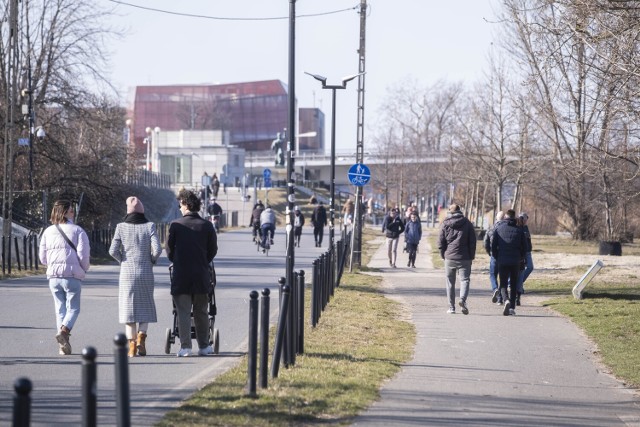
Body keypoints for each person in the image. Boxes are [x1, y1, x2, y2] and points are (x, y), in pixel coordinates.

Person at [108, 197, 162, 357]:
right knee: (145, 306)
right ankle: (141, 338)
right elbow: (158, 249)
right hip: (145, 271)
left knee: (128, 310)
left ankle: (131, 346)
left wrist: (122, 260)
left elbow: (112, 250)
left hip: (127, 273)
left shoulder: (120, 227)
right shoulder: (149, 226)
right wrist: (151, 260)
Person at [166, 189, 218, 357]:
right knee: (201, 311)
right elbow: (212, 251)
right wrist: (202, 260)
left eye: (180, 204)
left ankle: (186, 347)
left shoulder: (175, 225)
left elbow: (169, 252)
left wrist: (179, 261)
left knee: (183, 311)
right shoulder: (207, 226)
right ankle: (204, 346)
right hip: (201, 275)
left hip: (181, 275)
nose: (179, 208)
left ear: (187, 204)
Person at [38, 199, 91, 355]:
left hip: (53, 276)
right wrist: (84, 268)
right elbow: (84, 255)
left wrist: (52, 264)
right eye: (71, 210)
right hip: (72, 276)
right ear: (65, 212)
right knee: (74, 308)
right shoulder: (78, 231)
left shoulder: (48, 231)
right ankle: (64, 331)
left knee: (60, 309)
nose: (73, 213)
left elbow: (43, 258)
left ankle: (62, 346)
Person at [438, 204, 477, 314]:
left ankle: (451, 307)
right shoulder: (468, 223)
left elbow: (440, 242)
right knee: (465, 280)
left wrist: (443, 255)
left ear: (450, 212)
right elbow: (472, 242)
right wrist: (471, 256)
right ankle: (462, 300)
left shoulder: (445, 223)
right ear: (460, 211)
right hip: (464, 257)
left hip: (449, 257)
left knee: (450, 282)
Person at [491, 209, 526, 316]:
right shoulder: (520, 230)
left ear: (505, 217)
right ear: (514, 217)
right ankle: (512, 307)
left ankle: (505, 299)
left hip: (502, 259)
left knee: (503, 283)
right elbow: (525, 247)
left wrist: (497, 257)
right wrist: (521, 258)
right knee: (514, 284)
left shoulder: (498, 229)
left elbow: (493, 246)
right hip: (515, 260)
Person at [484, 211, 505, 304]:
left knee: (493, 274)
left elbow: (486, 242)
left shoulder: (491, 228)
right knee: (503, 277)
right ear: (504, 218)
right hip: (504, 255)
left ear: (497, 218)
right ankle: (500, 299)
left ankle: (495, 288)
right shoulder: (506, 228)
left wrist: (489, 252)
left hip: (494, 255)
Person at [517, 212, 534, 306]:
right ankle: (518, 286)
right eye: (525, 219)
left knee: (530, 267)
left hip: (528, 251)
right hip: (521, 252)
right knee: (521, 270)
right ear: (522, 219)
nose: (527, 221)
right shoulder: (518, 226)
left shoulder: (526, 227)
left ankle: (517, 283)